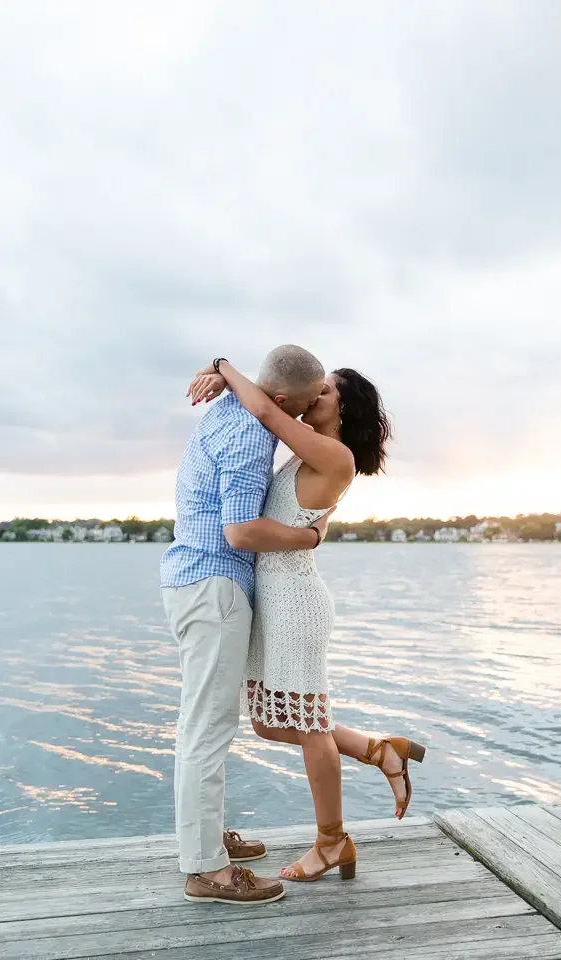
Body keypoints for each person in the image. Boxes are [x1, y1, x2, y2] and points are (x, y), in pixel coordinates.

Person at [188, 358, 426, 885]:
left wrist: (225, 365)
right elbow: (274, 399)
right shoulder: (308, 453)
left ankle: (332, 841)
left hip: (296, 602)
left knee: (312, 725)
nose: (316, 393)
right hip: (273, 599)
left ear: (346, 406)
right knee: (269, 722)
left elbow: (267, 410)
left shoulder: (334, 454)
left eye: (327, 390)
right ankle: (377, 749)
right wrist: (219, 371)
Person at [161, 344, 333, 906]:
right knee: (207, 730)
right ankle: (207, 871)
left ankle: (208, 841)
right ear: (279, 400)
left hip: (195, 581)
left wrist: (218, 367)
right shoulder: (251, 435)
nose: (304, 418)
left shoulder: (232, 408)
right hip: (215, 586)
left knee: (205, 724)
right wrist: (308, 537)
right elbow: (240, 531)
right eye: (304, 407)